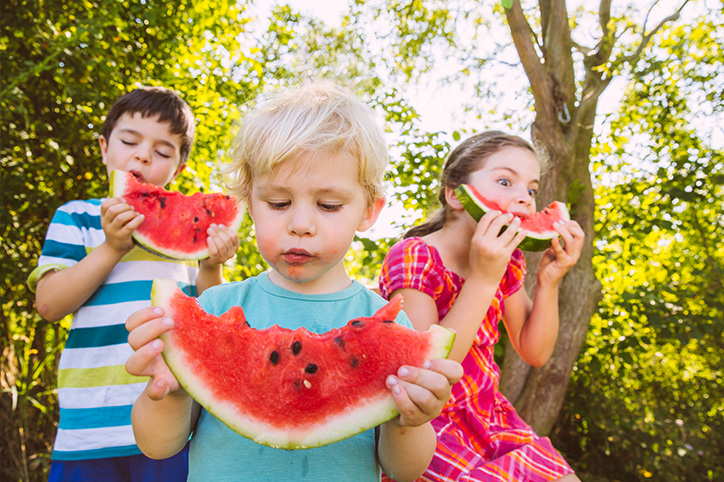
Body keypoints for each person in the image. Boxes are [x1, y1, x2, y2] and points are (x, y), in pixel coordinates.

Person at [124, 81, 463, 482]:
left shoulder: (387, 325)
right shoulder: (214, 307)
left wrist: (409, 421)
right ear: (249, 202)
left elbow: (404, 470)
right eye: (279, 203)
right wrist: (169, 390)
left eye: (329, 205)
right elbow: (158, 445)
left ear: (369, 211)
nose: (301, 225)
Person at [28, 85, 240, 482]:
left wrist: (211, 266)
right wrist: (112, 247)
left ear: (176, 171)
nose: (143, 155)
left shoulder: (189, 235)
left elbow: (209, 320)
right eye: (129, 141)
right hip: (87, 430)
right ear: (106, 148)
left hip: (170, 423)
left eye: (162, 152)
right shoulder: (77, 218)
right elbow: (49, 305)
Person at [378, 131, 584, 481]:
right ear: (456, 197)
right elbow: (427, 367)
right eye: (505, 181)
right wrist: (484, 279)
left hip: (489, 413)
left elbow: (534, 351)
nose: (525, 199)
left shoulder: (508, 261)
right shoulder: (415, 255)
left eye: (532, 190)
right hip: (428, 423)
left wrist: (549, 281)